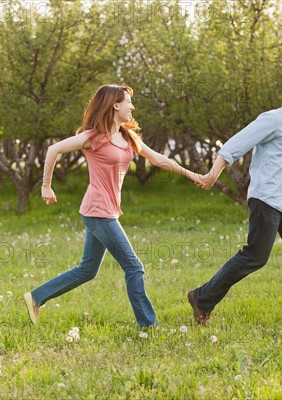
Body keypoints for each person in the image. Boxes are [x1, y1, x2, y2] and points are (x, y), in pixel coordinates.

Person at [24, 84, 201, 328]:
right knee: (134, 268)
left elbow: (158, 159)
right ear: (115, 105)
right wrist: (46, 185)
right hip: (98, 211)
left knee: (87, 270)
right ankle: (148, 326)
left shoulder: (128, 136)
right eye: (128, 101)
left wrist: (192, 175)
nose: (132, 106)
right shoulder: (93, 137)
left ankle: (36, 297)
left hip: (107, 210)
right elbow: (54, 149)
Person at [189, 71, 282, 324]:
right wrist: (213, 174)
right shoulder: (272, 120)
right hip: (266, 198)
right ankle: (202, 297)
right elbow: (235, 144)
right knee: (256, 256)